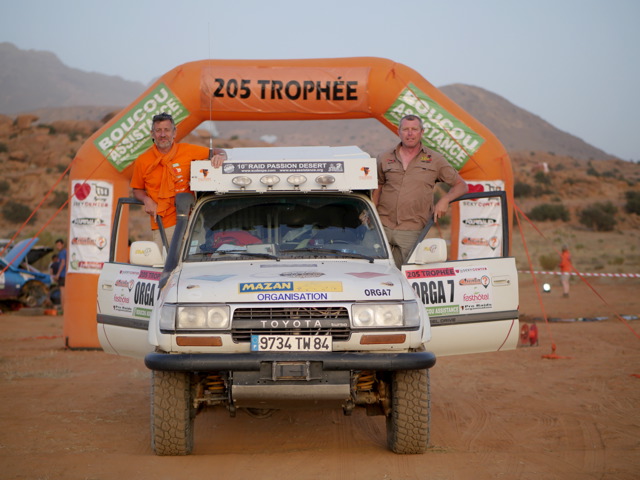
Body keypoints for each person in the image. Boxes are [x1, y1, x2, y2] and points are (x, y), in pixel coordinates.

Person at [373, 114, 468, 268]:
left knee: (406, 274)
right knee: (376, 271)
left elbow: (461, 185)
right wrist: (372, 216)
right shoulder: (384, 157)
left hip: (411, 230)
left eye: (414, 129)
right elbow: (378, 186)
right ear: (399, 132)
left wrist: (444, 200)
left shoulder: (435, 159)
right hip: (381, 226)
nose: (410, 133)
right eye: (406, 129)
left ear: (422, 132)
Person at [130, 112, 228, 251]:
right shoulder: (143, 160)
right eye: (158, 130)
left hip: (191, 223)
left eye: (167, 130)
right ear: (152, 134)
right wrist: (146, 199)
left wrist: (221, 156)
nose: (162, 134)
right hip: (162, 224)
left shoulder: (188, 150)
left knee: (195, 260)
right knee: (164, 262)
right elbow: (137, 189)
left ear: (174, 133)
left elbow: (218, 151)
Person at [53, 239, 67, 308]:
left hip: (62, 275)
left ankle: (63, 308)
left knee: (62, 292)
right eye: (57, 245)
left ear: (62, 245)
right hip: (66, 274)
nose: (58, 247)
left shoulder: (61, 253)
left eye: (59, 245)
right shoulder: (66, 251)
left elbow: (63, 263)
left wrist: (58, 274)